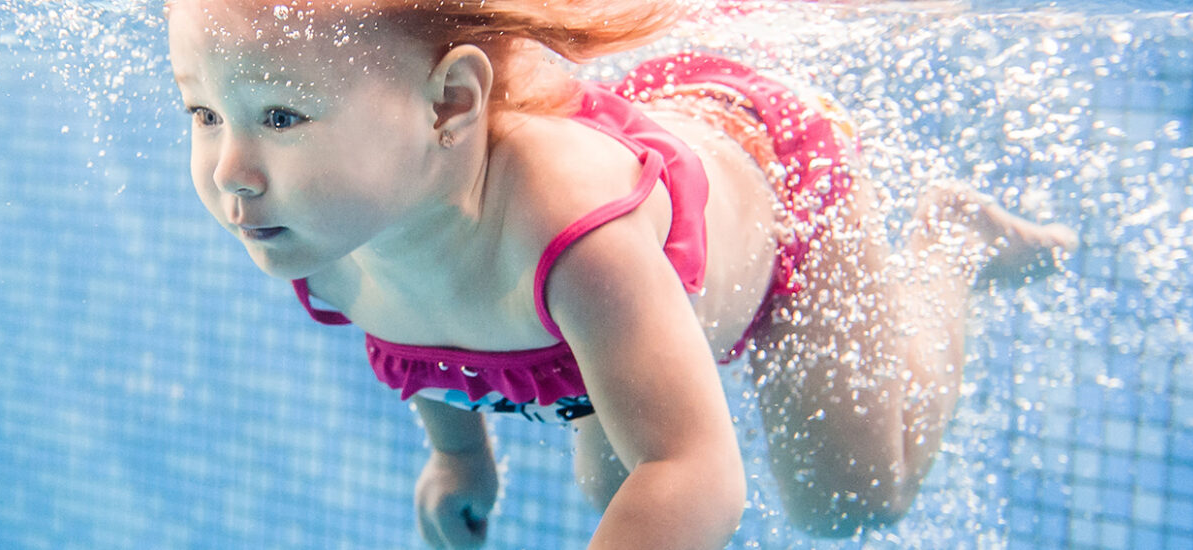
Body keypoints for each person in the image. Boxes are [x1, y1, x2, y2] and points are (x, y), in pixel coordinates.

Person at [165, 0, 1078, 547]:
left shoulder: (574, 238)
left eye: (281, 118)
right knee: (613, 488)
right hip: (632, 225)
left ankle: (951, 244)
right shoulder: (324, 231)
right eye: (204, 113)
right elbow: (420, 333)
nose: (230, 171)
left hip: (780, 191)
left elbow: (698, 474)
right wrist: (459, 457)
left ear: (449, 104)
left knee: (845, 500)